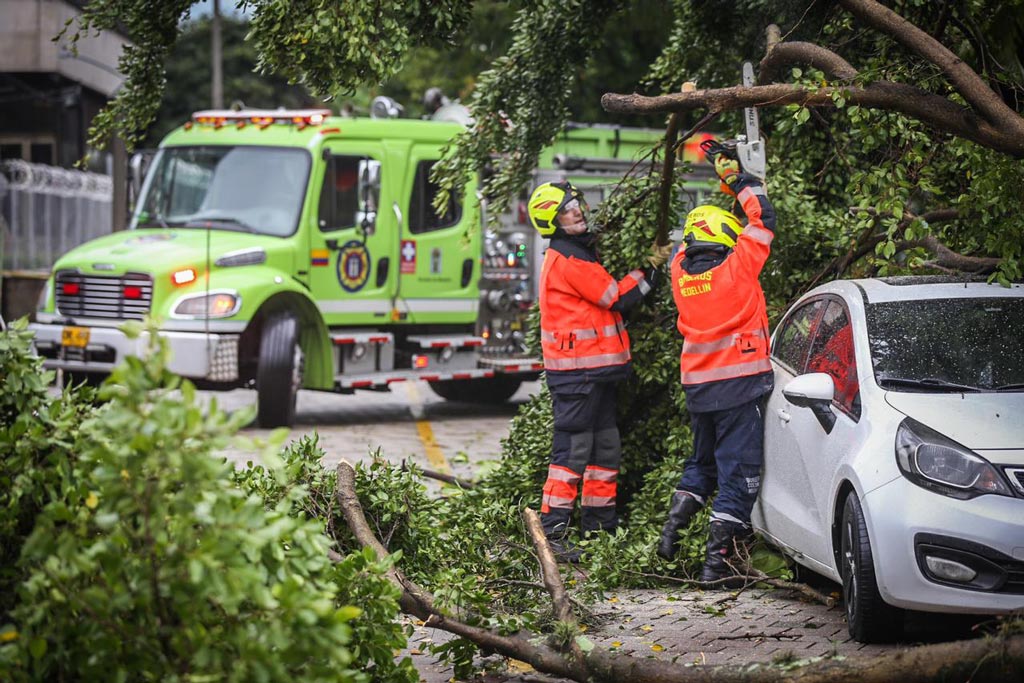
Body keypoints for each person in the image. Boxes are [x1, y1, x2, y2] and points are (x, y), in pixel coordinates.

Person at [529, 180, 671, 563]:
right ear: (553, 223)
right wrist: (650, 269)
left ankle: (599, 527)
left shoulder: (577, 253)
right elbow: (616, 298)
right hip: (578, 376)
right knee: (573, 451)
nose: (575, 210)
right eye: (566, 209)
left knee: (605, 447)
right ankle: (554, 532)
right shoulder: (568, 259)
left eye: (575, 203)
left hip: (596, 374)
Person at [656, 153, 776, 586]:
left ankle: (670, 538)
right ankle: (716, 566)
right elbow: (764, 217)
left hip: (699, 389)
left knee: (701, 465)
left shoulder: (679, 275)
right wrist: (737, 178)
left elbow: (682, 245)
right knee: (737, 476)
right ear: (727, 236)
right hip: (739, 387)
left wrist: (728, 189)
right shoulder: (738, 268)